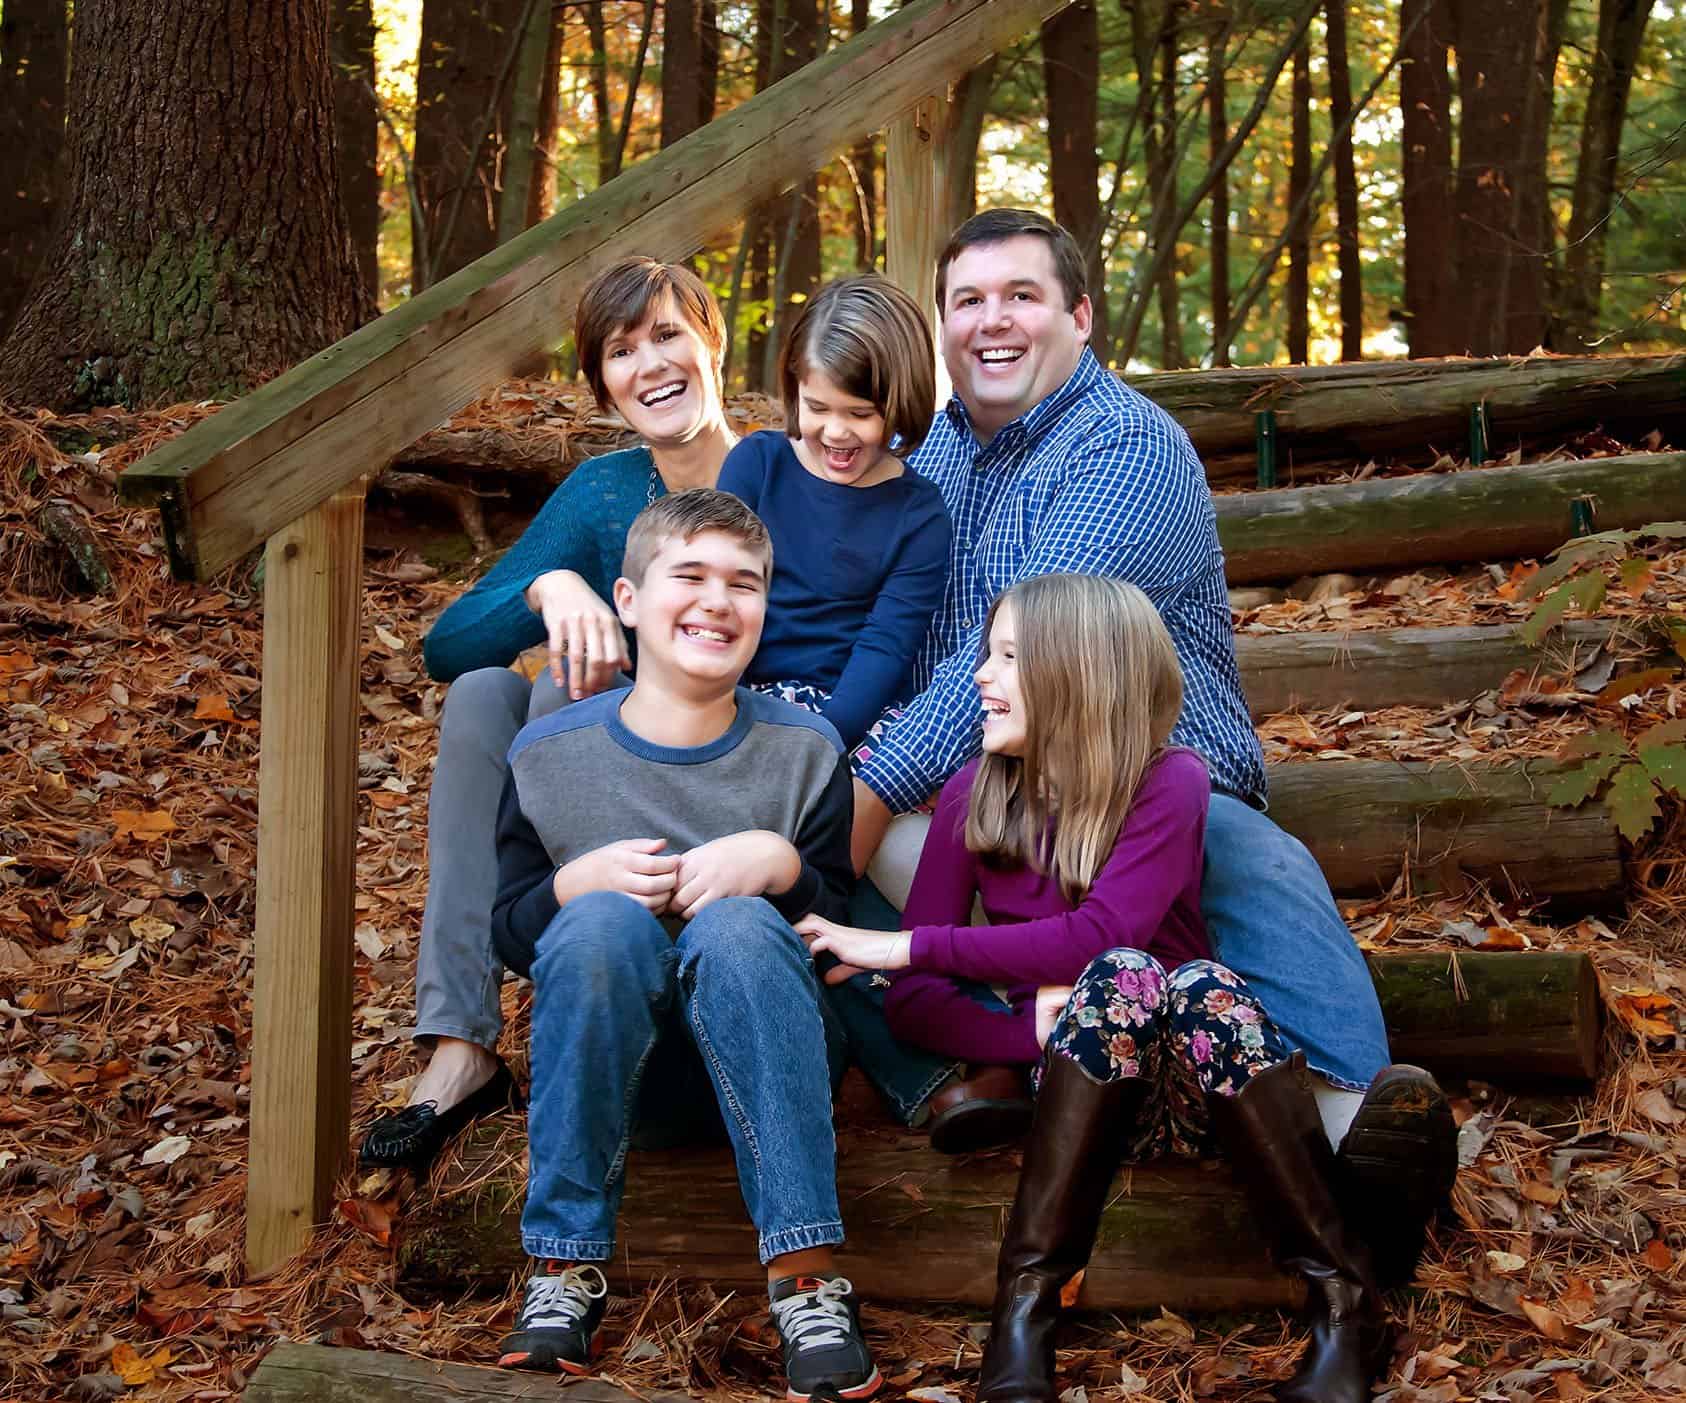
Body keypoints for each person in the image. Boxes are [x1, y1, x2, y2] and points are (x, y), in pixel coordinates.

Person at [839, 208, 1455, 1285]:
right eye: (967, 300)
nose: (992, 321)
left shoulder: (1126, 446)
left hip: (1143, 776)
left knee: (1232, 852)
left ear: (1080, 315)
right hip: (988, 787)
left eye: (1022, 295)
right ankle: (1011, 1062)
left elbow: (1037, 659)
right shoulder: (925, 458)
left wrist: (867, 787)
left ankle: (1357, 1129)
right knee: (834, 851)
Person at [801, 574, 1390, 1403]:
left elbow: (1101, 932)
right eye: (989, 654)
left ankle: (1346, 1305)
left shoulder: (1170, 780)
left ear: (1079, 672)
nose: (981, 675)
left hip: (1202, 1090)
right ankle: (1024, 1317)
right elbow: (914, 1002)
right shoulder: (973, 794)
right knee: (1118, 983)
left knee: (1164, 977)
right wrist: (1029, 1035)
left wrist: (904, 943)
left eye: (1009, 657)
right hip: (1087, 1095)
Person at [488, 489, 880, 1402]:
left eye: (745, 583)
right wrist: (571, 884)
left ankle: (807, 1281)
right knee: (599, 921)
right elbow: (509, 930)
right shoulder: (547, 753)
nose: (718, 601)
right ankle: (562, 1268)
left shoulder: (806, 750)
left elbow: (837, 923)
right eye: (690, 576)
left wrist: (784, 864)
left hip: (776, 1063)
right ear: (627, 599)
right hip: (622, 1076)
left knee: (738, 924)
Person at [358, 257, 739, 1172]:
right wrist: (551, 582)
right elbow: (447, 646)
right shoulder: (606, 490)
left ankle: (593, 984)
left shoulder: (779, 473)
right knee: (486, 691)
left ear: (712, 342)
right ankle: (462, 1044)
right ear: (603, 382)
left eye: (667, 335)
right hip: (597, 790)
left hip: (723, 774)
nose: (650, 364)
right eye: (621, 351)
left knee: (557, 691)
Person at [719, 272, 950, 752]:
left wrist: (821, 743)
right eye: (817, 407)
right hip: (735, 697)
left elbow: (886, 646)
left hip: (846, 717)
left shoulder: (919, 514)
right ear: (794, 390)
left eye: (860, 414)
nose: (836, 432)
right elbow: (719, 592)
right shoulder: (757, 466)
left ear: (900, 403)